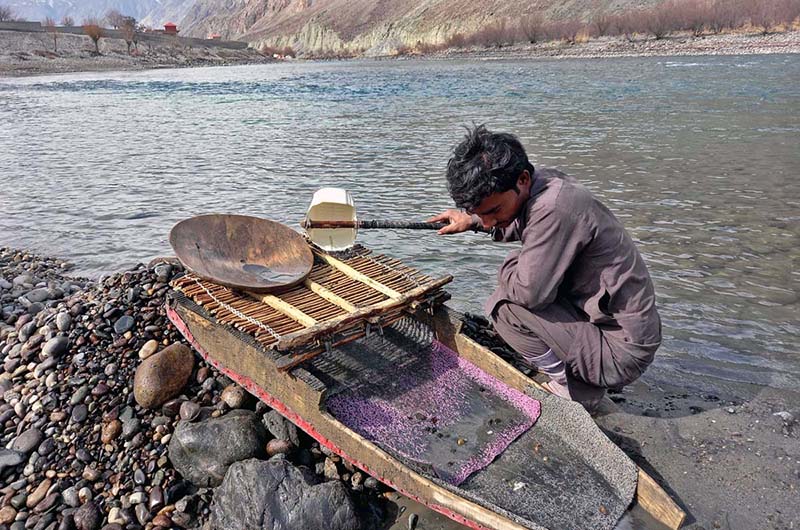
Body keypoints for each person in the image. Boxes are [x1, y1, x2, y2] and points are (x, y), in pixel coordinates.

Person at [428, 125, 661, 410]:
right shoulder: (544, 185)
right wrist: (472, 220)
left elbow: (529, 294)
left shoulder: (554, 208)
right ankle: (574, 370)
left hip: (621, 352)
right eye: (479, 213)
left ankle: (572, 388)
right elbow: (520, 220)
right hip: (620, 331)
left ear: (522, 180)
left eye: (492, 211)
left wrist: (509, 266)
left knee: (505, 307)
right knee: (523, 279)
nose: (488, 223)